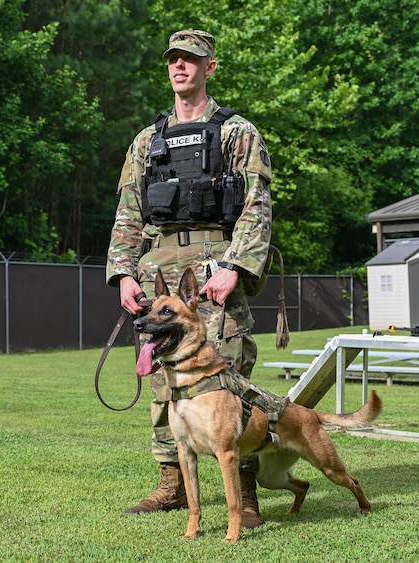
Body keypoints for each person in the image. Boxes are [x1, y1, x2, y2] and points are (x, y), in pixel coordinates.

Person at [105, 29, 273, 528]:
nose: (180, 66)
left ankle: (244, 495)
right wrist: (122, 274)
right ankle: (171, 486)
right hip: (157, 269)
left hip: (215, 265)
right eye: (174, 59)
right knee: (163, 378)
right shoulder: (146, 140)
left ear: (210, 67)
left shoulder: (236, 132)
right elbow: (127, 213)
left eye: (191, 59)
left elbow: (256, 207)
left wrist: (234, 267)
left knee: (227, 376)